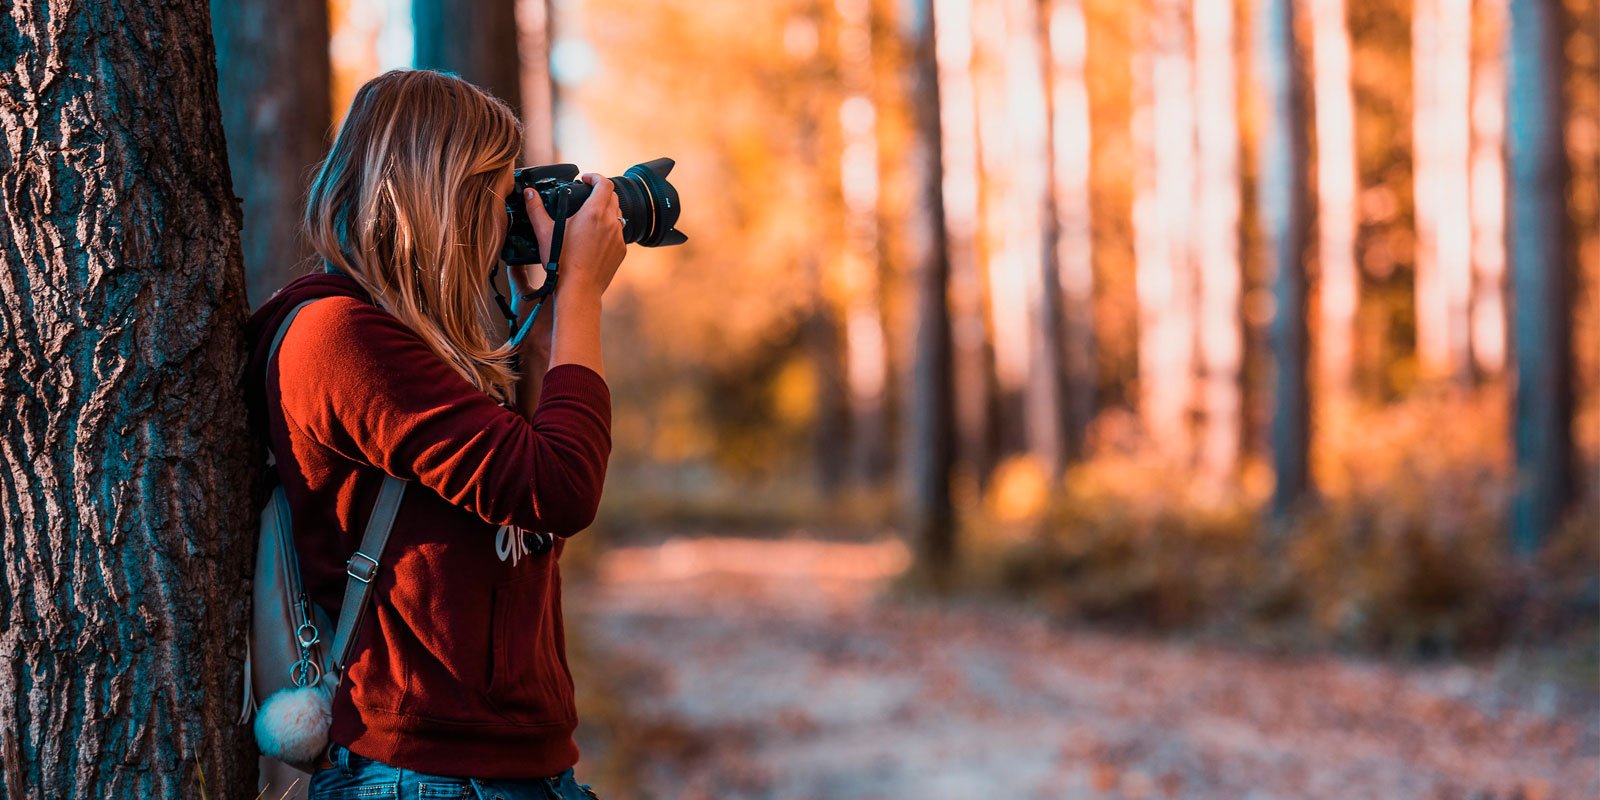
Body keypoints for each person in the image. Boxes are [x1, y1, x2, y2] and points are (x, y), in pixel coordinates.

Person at [243, 69, 624, 800]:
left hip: (510, 770)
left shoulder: (432, 345)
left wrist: (541, 305)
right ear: (443, 194)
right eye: (495, 190)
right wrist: (579, 295)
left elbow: (533, 504)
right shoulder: (340, 337)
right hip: (420, 775)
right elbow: (558, 489)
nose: (505, 214)